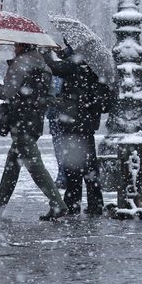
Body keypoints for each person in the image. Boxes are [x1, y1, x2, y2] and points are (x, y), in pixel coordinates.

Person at [0, 43, 69, 220]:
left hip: (20, 121)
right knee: (12, 166)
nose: (14, 47)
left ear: (22, 46)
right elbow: (48, 96)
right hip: (34, 121)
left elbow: (7, 92)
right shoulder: (43, 64)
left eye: (16, 44)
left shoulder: (20, 64)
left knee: (35, 167)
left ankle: (58, 204)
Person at [44, 45, 109, 216]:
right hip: (87, 121)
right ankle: (95, 203)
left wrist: (45, 54)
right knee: (89, 165)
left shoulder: (76, 64)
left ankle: (72, 203)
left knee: (72, 165)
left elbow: (55, 68)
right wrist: (65, 54)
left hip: (74, 121)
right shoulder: (91, 62)